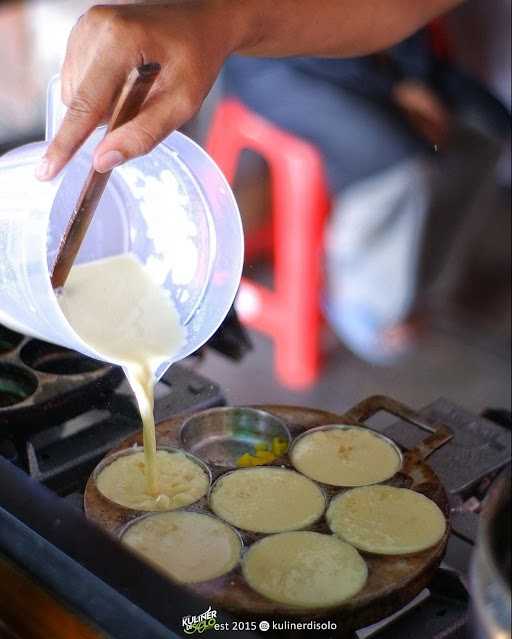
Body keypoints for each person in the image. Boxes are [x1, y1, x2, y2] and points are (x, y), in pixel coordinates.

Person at [223, 33, 510, 362]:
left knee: (484, 128)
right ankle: (366, 313)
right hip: (285, 59)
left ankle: (417, 285)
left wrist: (412, 76)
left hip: (375, 51)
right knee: (397, 167)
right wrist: (402, 84)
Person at [35, 0, 464, 181]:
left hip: (395, 47)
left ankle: (371, 309)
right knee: (392, 153)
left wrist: (410, 75)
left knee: (404, 158)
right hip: (264, 56)